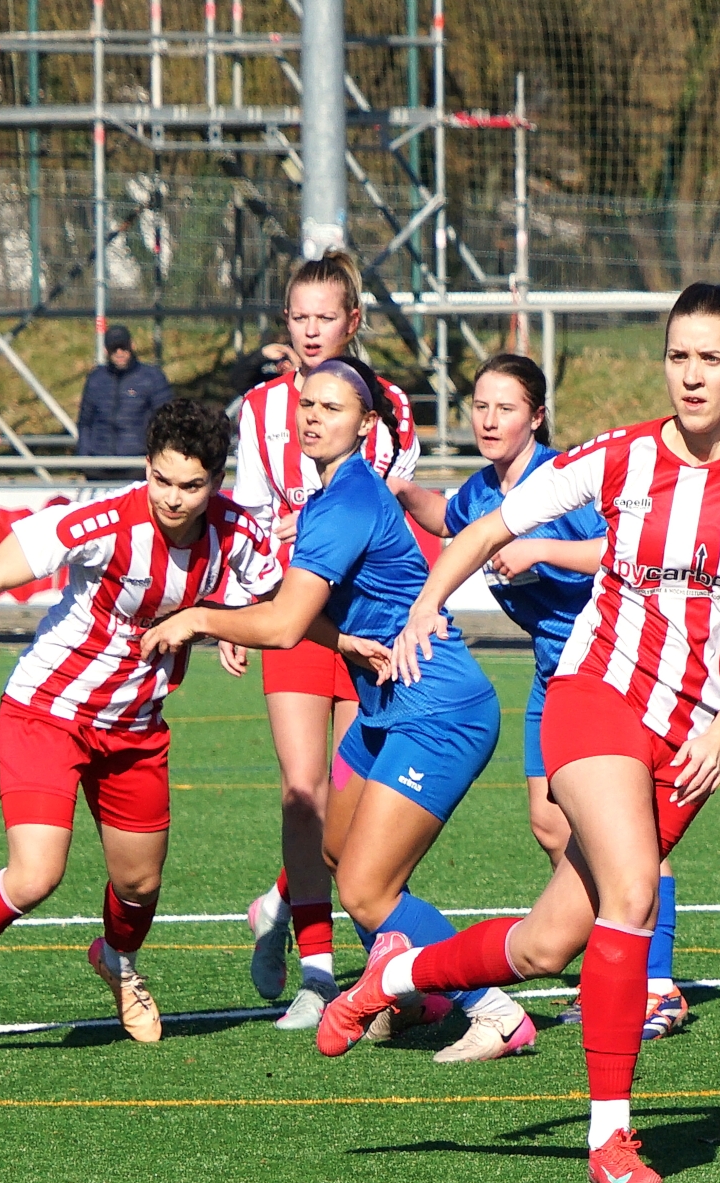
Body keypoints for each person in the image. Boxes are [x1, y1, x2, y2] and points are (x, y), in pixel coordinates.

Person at [311, 283, 720, 1183]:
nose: (690, 376)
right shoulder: (619, 455)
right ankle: (611, 1138)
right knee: (633, 892)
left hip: (689, 731)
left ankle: (399, 973)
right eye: (677, 356)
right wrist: (427, 604)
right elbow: (488, 527)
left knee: (548, 945)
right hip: (596, 696)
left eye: (711, 359)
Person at [141, 357, 533, 1064]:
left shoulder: (347, 500)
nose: (314, 418)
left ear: (366, 424)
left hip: (439, 713)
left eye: (333, 407)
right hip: (387, 708)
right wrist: (345, 640)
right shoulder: (331, 498)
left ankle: (494, 1011)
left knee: (365, 889)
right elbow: (313, 613)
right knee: (333, 849)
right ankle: (416, 995)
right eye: (307, 405)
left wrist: (197, 617)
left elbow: (284, 624)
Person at [0, 400, 283, 1056]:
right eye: (161, 479)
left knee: (139, 886)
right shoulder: (105, 521)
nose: (173, 498)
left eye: (191, 486)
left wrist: (226, 622)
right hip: (47, 712)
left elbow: (274, 602)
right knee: (35, 875)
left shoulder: (238, 531)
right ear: (146, 467)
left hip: (135, 728)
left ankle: (117, 961)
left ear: (218, 481)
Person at [388, 355, 688, 1042]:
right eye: (480, 406)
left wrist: (541, 551)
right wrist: (402, 491)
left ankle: (657, 986)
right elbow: (450, 520)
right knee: (554, 826)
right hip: (554, 673)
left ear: (537, 416)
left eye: (506, 407)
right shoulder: (481, 491)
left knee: (629, 831)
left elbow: (624, 548)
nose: (489, 419)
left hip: (613, 671)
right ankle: (609, 959)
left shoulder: (564, 480)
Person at [230, 251, 420, 1032]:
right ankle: (317, 975)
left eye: (326, 317)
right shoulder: (258, 411)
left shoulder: (388, 405)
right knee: (303, 793)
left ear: (354, 321)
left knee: (355, 809)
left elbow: (390, 509)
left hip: (368, 630)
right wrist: (242, 601)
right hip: (298, 621)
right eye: (299, 317)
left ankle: (288, 905)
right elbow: (245, 517)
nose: (311, 330)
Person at [75, 325, 174, 479]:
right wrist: (84, 459)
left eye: (123, 347)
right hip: (99, 466)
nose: (119, 353)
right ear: (106, 351)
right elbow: (85, 422)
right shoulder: (96, 379)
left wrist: (157, 459)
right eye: (114, 349)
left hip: (137, 466)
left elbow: (167, 422)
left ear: (132, 346)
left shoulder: (152, 378)